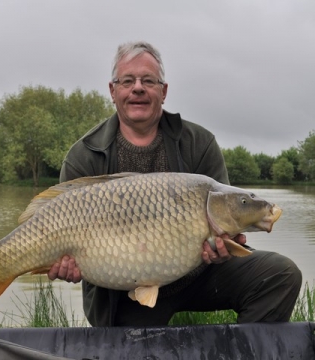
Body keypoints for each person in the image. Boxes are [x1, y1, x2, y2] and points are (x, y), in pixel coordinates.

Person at [48, 41, 302, 327]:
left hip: (201, 274)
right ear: (113, 90)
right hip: (122, 287)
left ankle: (237, 351)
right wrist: (65, 264)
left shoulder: (200, 143)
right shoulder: (84, 156)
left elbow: (228, 227)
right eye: (127, 80)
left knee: (281, 275)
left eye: (149, 80)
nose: (138, 88)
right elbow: (64, 237)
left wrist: (222, 246)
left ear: (164, 91)